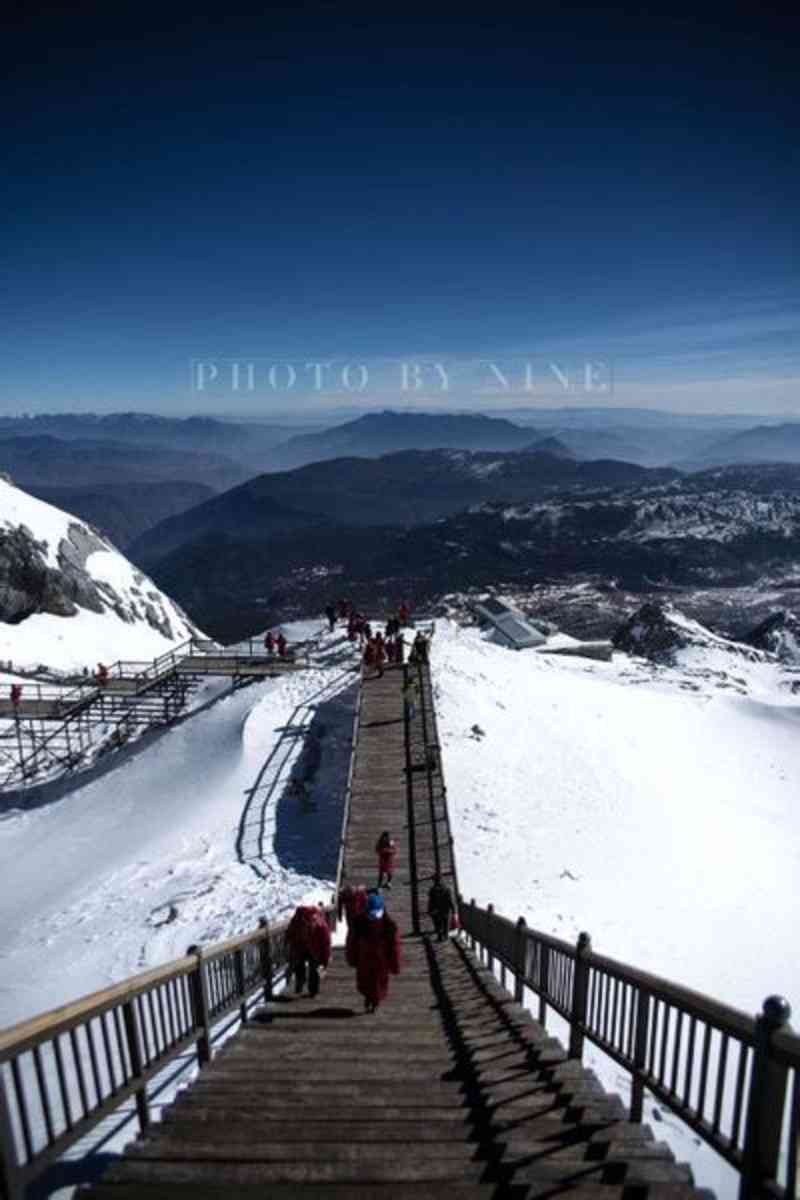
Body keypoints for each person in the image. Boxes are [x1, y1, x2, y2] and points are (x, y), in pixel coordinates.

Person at [346, 891, 401, 1013]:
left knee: (376, 982)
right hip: (367, 958)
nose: (374, 916)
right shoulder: (360, 922)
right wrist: (352, 957)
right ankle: (370, 999)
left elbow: (394, 947)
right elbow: (352, 942)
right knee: (368, 982)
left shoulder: (389, 926)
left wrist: (395, 964)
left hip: (379, 960)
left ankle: (373, 1001)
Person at [285, 904, 332, 997]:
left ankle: (300, 986)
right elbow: (326, 943)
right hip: (310, 948)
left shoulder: (297, 921)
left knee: (301, 967)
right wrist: (325, 961)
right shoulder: (320, 924)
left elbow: (289, 934)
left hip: (303, 947)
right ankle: (312, 991)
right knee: (314, 968)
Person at [427, 874, 455, 942]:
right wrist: (453, 909)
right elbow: (450, 900)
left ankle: (440, 937)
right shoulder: (447, 889)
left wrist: (430, 910)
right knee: (445, 924)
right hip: (445, 910)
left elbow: (431, 901)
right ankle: (445, 937)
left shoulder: (432, 890)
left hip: (436, 910)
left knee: (438, 924)